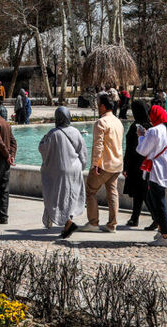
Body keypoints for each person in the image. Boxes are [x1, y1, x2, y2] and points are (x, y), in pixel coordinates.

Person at [62, 92, 124, 235]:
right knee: (112, 193)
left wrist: (95, 164)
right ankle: (112, 225)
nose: (96, 105)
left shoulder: (101, 122)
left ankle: (93, 222)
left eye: (97, 103)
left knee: (90, 191)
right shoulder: (118, 121)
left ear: (102, 106)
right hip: (116, 164)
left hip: (103, 165)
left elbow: (98, 145)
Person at [137, 104, 167, 247]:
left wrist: (141, 136)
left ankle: (165, 236)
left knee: (159, 204)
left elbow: (142, 150)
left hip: (155, 172)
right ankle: (161, 231)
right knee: (157, 201)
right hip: (166, 171)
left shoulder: (154, 131)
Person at [38, 106, 88, 230]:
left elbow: (43, 149)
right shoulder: (76, 132)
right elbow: (83, 152)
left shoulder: (52, 134)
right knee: (71, 196)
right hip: (75, 169)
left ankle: (67, 223)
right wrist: (81, 166)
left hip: (59, 171)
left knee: (54, 195)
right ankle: (68, 221)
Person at [122, 99, 152, 228]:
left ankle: (157, 218)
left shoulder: (136, 126)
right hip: (147, 165)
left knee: (142, 193)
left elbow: (130, 149)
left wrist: (126, 167)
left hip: (136, 165)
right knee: (140, 193)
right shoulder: (151, 125)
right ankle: (135, 218)